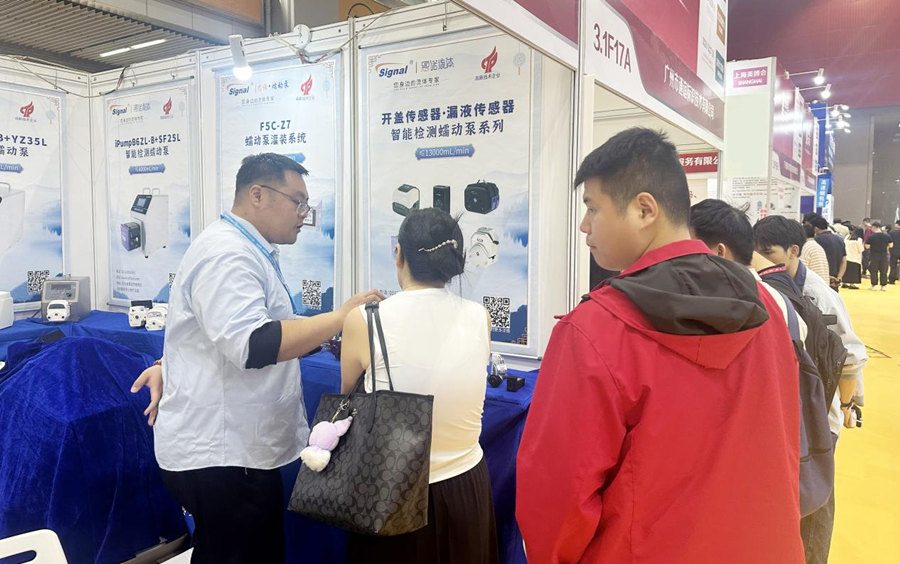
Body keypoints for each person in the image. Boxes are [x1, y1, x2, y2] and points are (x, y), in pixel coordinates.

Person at [516, 128, 804, 563]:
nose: (584, 225)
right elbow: (783, 437)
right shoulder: (763, 303)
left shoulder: (595, 330)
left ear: (644, 209)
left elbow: (556, 499)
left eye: (593, 208)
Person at [131, 153, 384, 564]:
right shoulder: (226, 254)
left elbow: (260, 330)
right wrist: (339, 317)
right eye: (298, 202)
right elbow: (252, 343)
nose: (304, 215)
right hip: (223, 453)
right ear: (257, 194)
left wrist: (331, 335)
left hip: (237, 450)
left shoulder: (246, 249)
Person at [339, 207, 498, 564]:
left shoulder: (364, 320)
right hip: (466, 487)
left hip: (390, 490)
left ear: (399, 254)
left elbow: (349, 397)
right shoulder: (480, 317)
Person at [753, 215, 867, 564]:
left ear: (793, 251)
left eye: (768, 252)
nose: (760, 260)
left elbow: (851, 356)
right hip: (790, 414)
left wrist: (848, 406)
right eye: (756, 252)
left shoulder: (818, 295)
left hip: (819, 418)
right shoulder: (769, 287)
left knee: (816, 500)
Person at [810, 216, 847, 291]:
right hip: (835, 281)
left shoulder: (815, 241)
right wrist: (839, 277)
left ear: (815, 228)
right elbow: (843, 261)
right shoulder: (840, 240)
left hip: (820, 281)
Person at [864, 221, 892, 290]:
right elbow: (891, 245)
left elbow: (867, 246)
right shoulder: (886, 236)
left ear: (874, 227)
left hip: (874, 255)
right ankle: (883, 286)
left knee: (874, 270)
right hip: (884, 255)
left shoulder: (871, 236)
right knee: (884, 271)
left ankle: (874, 285)